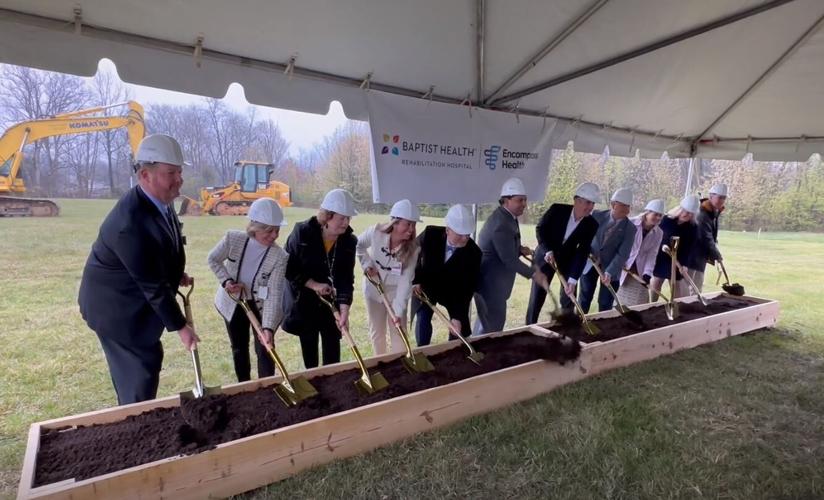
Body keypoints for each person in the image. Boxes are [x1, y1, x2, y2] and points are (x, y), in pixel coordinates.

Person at [78, 134, 197, 405]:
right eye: (171, 173)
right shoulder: (128, 223)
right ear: (145, 174)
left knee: (147, 361)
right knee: (139, 371)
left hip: (135, 298)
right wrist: (181, 326)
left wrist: (174, 274)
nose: (179, 180)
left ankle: (137, 414)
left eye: (179, 172)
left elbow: (160, 248)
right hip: (116, 309)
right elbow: (151, 285)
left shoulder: (160, 202)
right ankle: (134, 422)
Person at [207, 198, 289, 382]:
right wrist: (227, 281)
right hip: (234, 301)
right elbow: (213, 259)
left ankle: (267, 386)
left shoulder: (279, 256)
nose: (274, 235)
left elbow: (274, 294)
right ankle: (243, 385)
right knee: (239, 347)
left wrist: (268, 327)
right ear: (254, 227)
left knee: (266, 348)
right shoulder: (233, 239)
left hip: (260, 305)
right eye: (269, 231)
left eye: (277, 230)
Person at [282, 188, 357, 369]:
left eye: (348, 218)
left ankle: (333, 385)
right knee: (310, 350)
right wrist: (314, 285)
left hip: (331, 302)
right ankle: (314, 383)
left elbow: (346, 278)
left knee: (332, 348)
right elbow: (288, 268)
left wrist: (344, 309)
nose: (345, 223)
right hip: (304, 300)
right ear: (327, 216)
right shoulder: (302, 233)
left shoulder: (349, 241)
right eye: (341, 218)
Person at [473, 177, 549, 335]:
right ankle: (483, 356)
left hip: (494, 285)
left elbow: (502, 247)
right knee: (491, 328)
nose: (524, 204)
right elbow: (508, 260)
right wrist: (535, 274)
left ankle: (482, 352)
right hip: (490, 285)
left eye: (525, 200)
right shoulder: (501, 224)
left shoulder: (507, 218)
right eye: (519, 200)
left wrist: (519, 248)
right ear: (506, 200)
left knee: (488, 324)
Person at [525, 182, 600, 324]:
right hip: (545, 257)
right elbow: (540, 229)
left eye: (593, 204)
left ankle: (566, 328)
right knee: (537, 295)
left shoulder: (591, 224)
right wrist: (548, 250)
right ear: (577, 201)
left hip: (568, 261)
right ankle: (530, 326)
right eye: (588, 203)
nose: (590, 207)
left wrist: (572, 279)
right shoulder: (557, 210)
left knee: (569, 296)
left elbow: (582, 251)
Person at [357, 199, 421, 355]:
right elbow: (358, 245)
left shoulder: (413, 249)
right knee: (377, 333)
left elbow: (406, 282)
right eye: (408, 224)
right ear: (395, 222)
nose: (411, 230)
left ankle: (400, 366)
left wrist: (398, 312)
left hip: (395, 293)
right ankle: (380, 363)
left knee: (399, 333)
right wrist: (366, 265)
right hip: (374, 290)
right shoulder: (375, 233)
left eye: (414, 225)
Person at [411, 204, 482, 345]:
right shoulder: (430, 234)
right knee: (423, 319)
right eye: (460, 234)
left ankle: (454, 352)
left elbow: (467, 289)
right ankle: (422, 350)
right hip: (426, 285)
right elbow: (413, 256)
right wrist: (415, 280)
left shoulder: (474, 253)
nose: (465, 238)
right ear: (448, 229)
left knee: (459, 328)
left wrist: (456, 316)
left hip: (454, 292)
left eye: (468, 234)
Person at [577, 188, 637, 313]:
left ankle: (604, 328)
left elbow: (623, 253)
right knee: (585, 297)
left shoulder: (630, 228)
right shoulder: (596, 216)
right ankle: (580, 323)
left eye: (628, 206)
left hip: (612, 269)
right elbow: (584, 236)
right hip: (590, 264)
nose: (627, 210)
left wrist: (609, 272)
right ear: (613, 204)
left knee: (605, 303)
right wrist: (585, 251)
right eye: (624, 206)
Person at [617, 199, 665, 306]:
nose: (657, 218)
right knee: (620, 302)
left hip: (639, 272)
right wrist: (619, 261)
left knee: (640, 302)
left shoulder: (658, 233)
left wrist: (647, 273)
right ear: (647, 213)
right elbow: (618, 244)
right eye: (655, 214)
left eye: (660, 215)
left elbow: (652, 254)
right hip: (623, 268)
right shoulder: (630, 223)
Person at [651, 195, 700, 299]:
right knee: (657, 280)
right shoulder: (666, 220)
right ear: (679, 209)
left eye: (691, 213)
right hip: (662, 255)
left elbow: (690, 248)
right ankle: (652, 304)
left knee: (676, 284)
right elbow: (656, 236)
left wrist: (685, 264)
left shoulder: (693, 227)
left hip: (679, 259)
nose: (687, 215)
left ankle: (676, 305)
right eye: (685, 211)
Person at [688, 183, 728, 291]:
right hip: (691, 253)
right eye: (720, 197)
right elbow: (706, 237)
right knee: (688, 286)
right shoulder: (703, 214)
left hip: (701, 254)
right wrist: (717, 255)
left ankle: (694, 305)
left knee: (697, 285)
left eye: (724, 198)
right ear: (711, 196)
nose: (722, 200)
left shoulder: (713, 212)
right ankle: (685, 306)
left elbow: (710, 234)